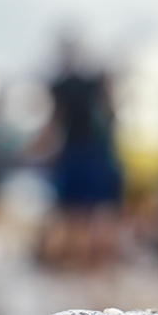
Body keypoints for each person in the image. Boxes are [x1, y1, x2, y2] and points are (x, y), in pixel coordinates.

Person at [37, 35, 123, 268]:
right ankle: (93, 265)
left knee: (72, 213)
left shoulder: (61, 86)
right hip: (94, 152)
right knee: (94, 213)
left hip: (74, 152)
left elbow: (54, 122)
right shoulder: (94, 83)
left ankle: (77, 263)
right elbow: (111, 114)